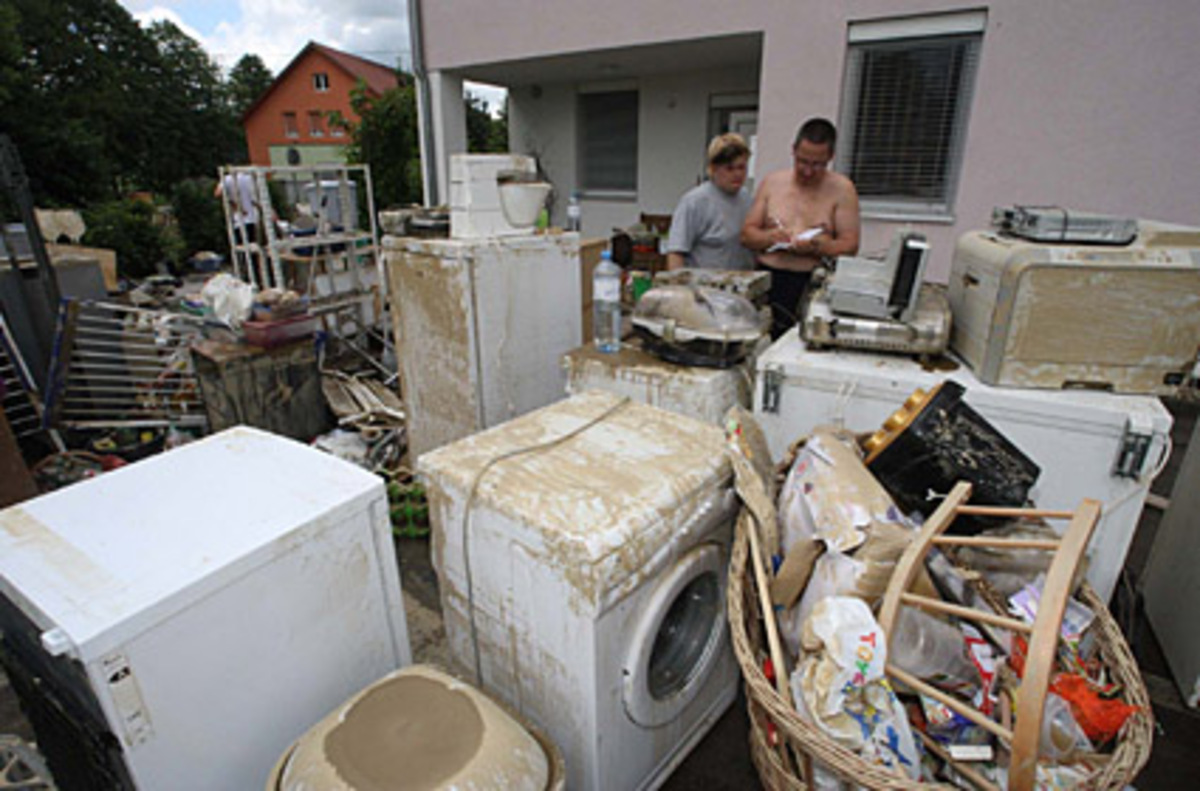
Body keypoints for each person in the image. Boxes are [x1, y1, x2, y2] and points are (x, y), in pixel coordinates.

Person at [741, 118, 860, 339]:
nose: (807, 171)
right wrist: (770, 237)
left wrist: (819, 247)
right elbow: (747, 234)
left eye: (817, 165)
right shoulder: (772, 183)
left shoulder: (842, 189)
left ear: (830, 157)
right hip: (768, 280)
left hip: (811, 284)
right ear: (793, 151)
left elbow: (850, 245)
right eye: (802, 161)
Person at [665, 133, 754, 271]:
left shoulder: (747, 198)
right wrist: (679, 288)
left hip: (740, 284)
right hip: (705, 287)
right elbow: (676, 253)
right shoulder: (694, 202)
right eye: (729, 168)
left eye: (741, 167)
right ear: (713, 169)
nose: (737, 174)